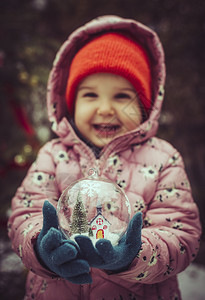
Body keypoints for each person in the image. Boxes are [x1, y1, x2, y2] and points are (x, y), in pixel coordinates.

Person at [8, 15, 201, 300]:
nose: (106, 108)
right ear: (71, 103)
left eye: (122, 97)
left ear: (146, 106)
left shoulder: (163, 159)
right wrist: (41, 248)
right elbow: (24, 215)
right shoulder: (53, 156)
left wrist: (133, 255)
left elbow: (182, 235)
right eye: (90, 95)